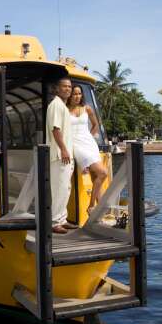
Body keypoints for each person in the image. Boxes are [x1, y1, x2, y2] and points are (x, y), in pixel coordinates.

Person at [67, 85, 107, 213]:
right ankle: (90, 206)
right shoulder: (65, 110)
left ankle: (99, 210)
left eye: (79, 94)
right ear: (70, 95)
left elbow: (96, 124)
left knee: (96, 177)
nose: (77, 96)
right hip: (76, 145)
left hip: (89, 143)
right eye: (74, 94)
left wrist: (90, 136)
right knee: (103, 173)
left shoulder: (87, 108)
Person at [46, 78, 79, 234]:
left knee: (65, 188)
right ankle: (54, 222)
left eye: (69, 87)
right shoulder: (55, 105)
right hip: (60, 155)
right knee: (59, 189)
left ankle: (62, 219)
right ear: (57, 89)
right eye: (64, 86)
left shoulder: (62, 106)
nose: (67, 89)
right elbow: (55, 129)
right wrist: (64, 149)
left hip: (66, 155)